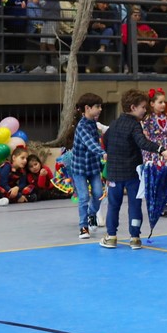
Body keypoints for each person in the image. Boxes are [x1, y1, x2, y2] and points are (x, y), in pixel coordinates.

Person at [101, 89, 167, 250]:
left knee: (113, 205)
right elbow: (143, 142)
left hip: (114, 173)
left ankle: (111, 237)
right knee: (135, 204)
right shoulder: (134, 125)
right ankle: (135, 238)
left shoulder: (114, 124)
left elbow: (105, 140)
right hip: (133, 174)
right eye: (143, 107)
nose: (145, 110)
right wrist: (161, 149)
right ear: (133, 107)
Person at [64, 92, 106, 239]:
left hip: (93, 168)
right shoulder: (81, 127)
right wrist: (103, 153)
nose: (100, 109)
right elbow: (90, 143)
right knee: (83, 197)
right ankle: (83, 227)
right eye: (97, 106)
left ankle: (91, 214)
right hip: (79, 169)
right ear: (87, 108)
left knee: (99, 194)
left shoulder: (94, 123)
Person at [141, 88, 167, 217]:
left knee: (166, 173)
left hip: (166, 148)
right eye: (160, 102)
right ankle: (156, 202)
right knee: (156, 175)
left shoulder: (166, 116)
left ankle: (165, 201)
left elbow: (166, 132)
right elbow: (145, 134)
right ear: (152, 103)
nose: (163, 104)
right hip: (154, 150)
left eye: (164, 102)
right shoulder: (147, 118)